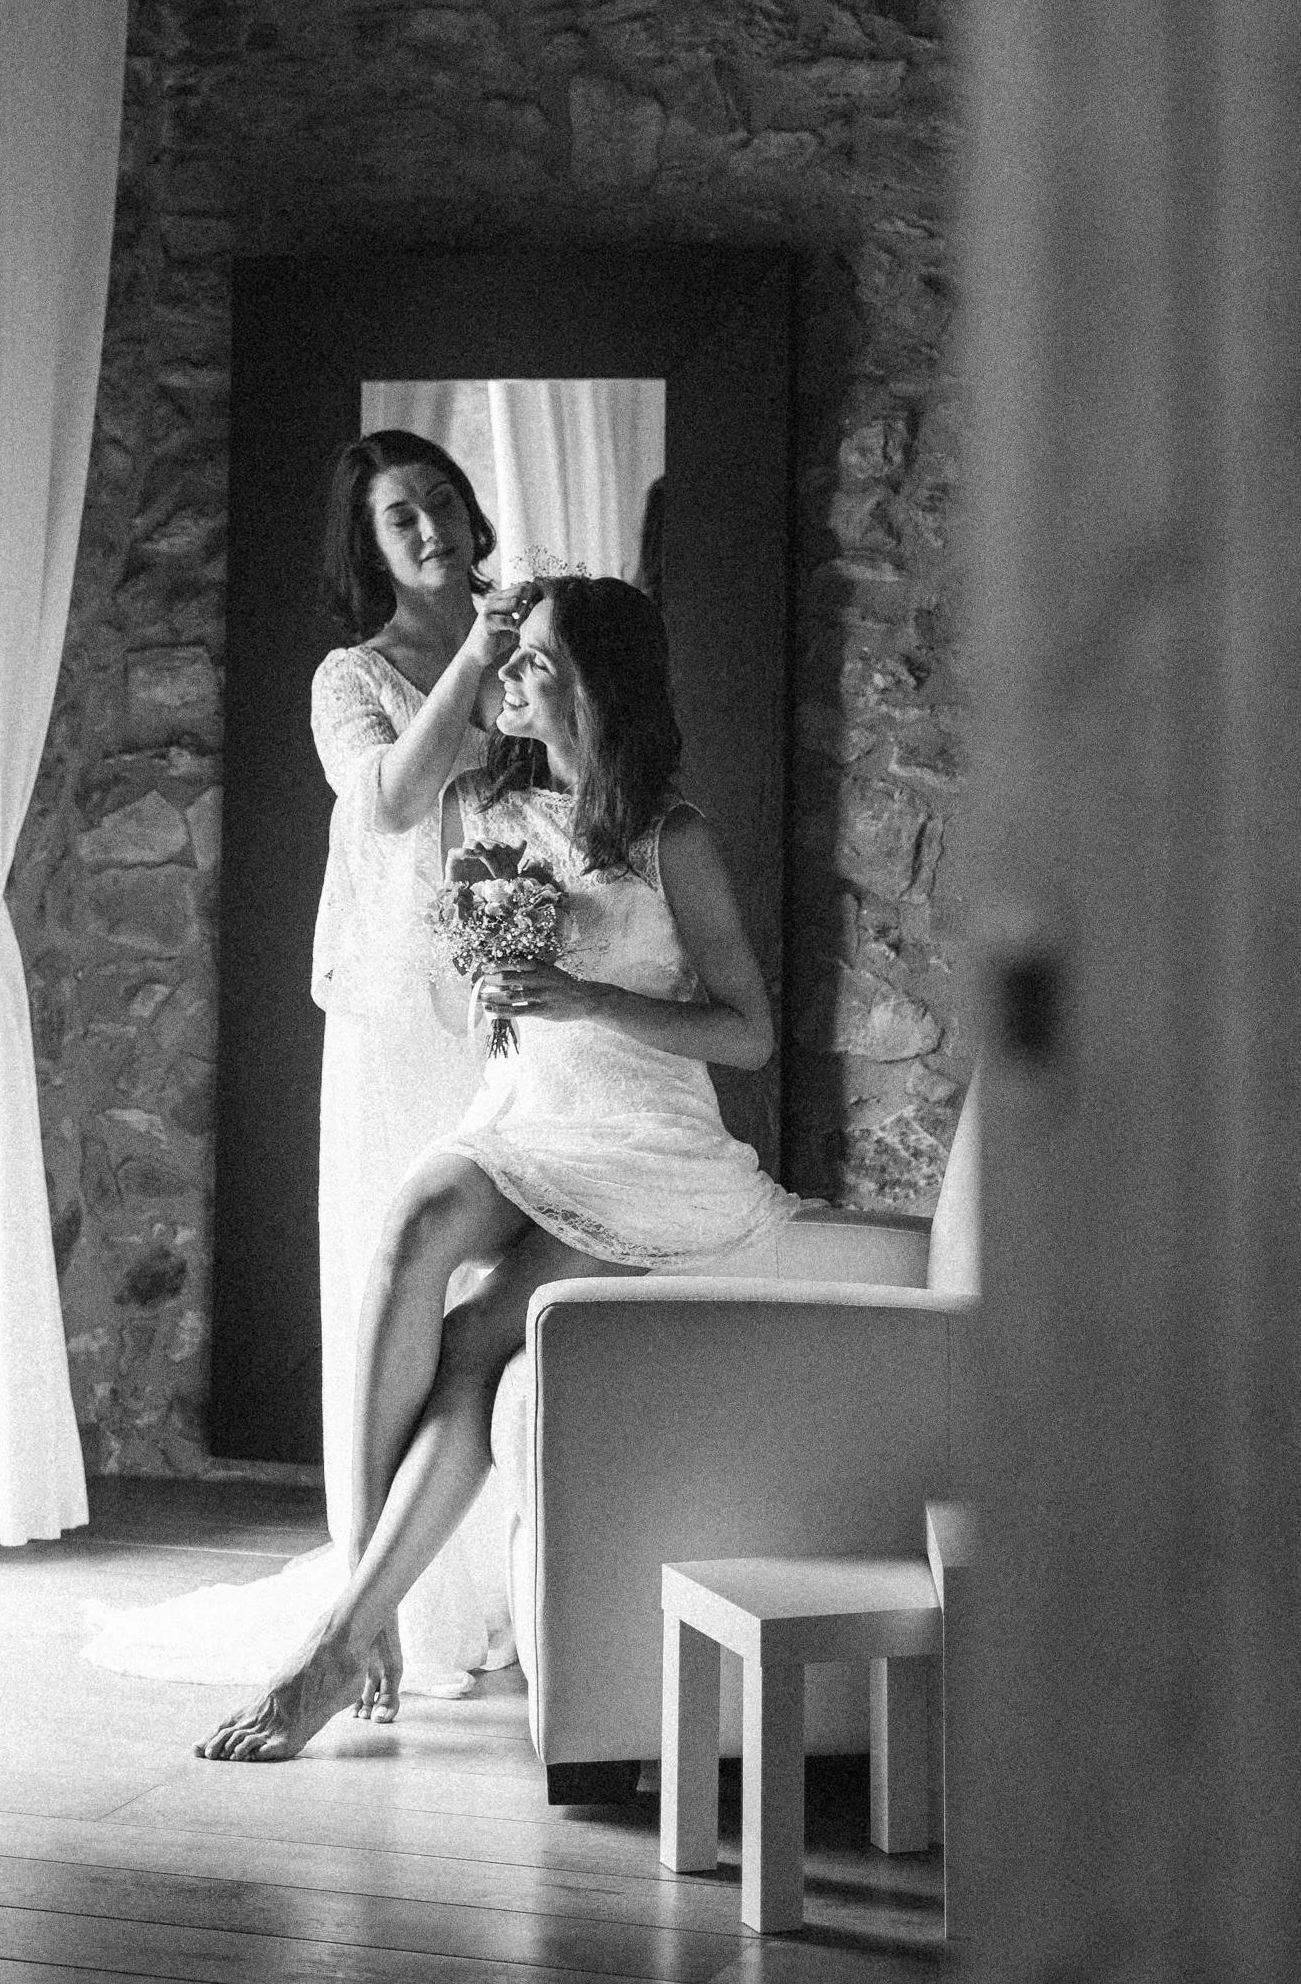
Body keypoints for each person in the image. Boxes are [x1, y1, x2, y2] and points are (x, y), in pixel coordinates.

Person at [197, 572, 798, 1763]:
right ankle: (359, 1598)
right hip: (525, 1108)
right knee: (412, 1225)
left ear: (590, 682)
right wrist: (496, 997)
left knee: (479, 1330)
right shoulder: (483, 807)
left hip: (643, 1143)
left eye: (533, 661)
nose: (506, 678)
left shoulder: (672, 838)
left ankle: (333, 1647)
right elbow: (412, 854)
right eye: (509, 659)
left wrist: (586, 993)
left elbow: (747, 1030)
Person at [86, 429, 525, 1711]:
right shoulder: (351, 676)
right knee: (388, 1290)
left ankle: (495, 1568)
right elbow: (386, 801)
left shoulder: (520, 644)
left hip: (506, 1013)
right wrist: (475, 670)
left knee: (493, 1299)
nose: (433, 526)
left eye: (442, 500)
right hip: (399, 1021)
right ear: (369, 546)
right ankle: (374, 1605)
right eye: (402, 516)